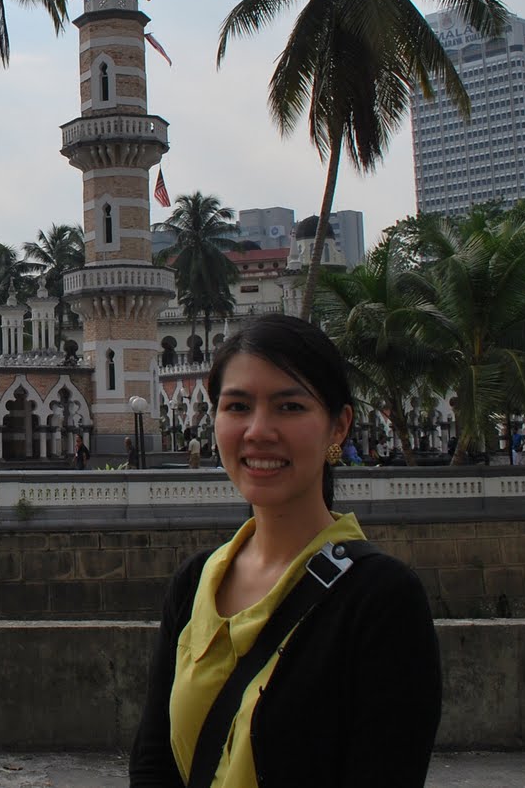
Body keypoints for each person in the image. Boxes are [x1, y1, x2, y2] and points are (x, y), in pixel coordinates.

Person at [129, 314, 440, 788]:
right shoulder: (196, 582)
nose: (258, 431)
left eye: (289, 407)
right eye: (236, 406)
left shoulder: (380, 601)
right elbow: (155, 764)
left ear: (338, 427)